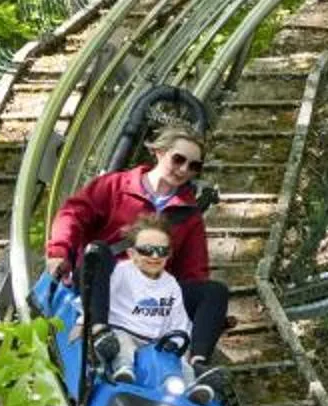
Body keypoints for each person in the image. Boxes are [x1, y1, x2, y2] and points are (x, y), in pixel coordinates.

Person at [44, 107, 233, 358]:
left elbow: (193, 271)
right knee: (98, 251)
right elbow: (73, 215)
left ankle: (198, 361)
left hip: (150, 293)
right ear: (159, 152)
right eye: (178, 159)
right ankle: (100, 331)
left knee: (214, 291)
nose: (184, 170)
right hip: (106, 281)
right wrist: (59, 251)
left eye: (193, 166)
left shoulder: (188, 214)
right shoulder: (115, 186)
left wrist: (206, 313)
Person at [97, 224, 193, 382]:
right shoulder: (121, 272)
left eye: (162, 251)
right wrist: (88, 324)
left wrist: (176, 344)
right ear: (131, 253)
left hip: (154, 342)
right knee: (123, 346)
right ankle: (123, 370)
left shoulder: (171, 284)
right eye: (147, 250)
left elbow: (179, 322)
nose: (155, 256)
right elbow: (100, 298)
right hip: (124, 330)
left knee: (180, 363)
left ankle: (192, 388)